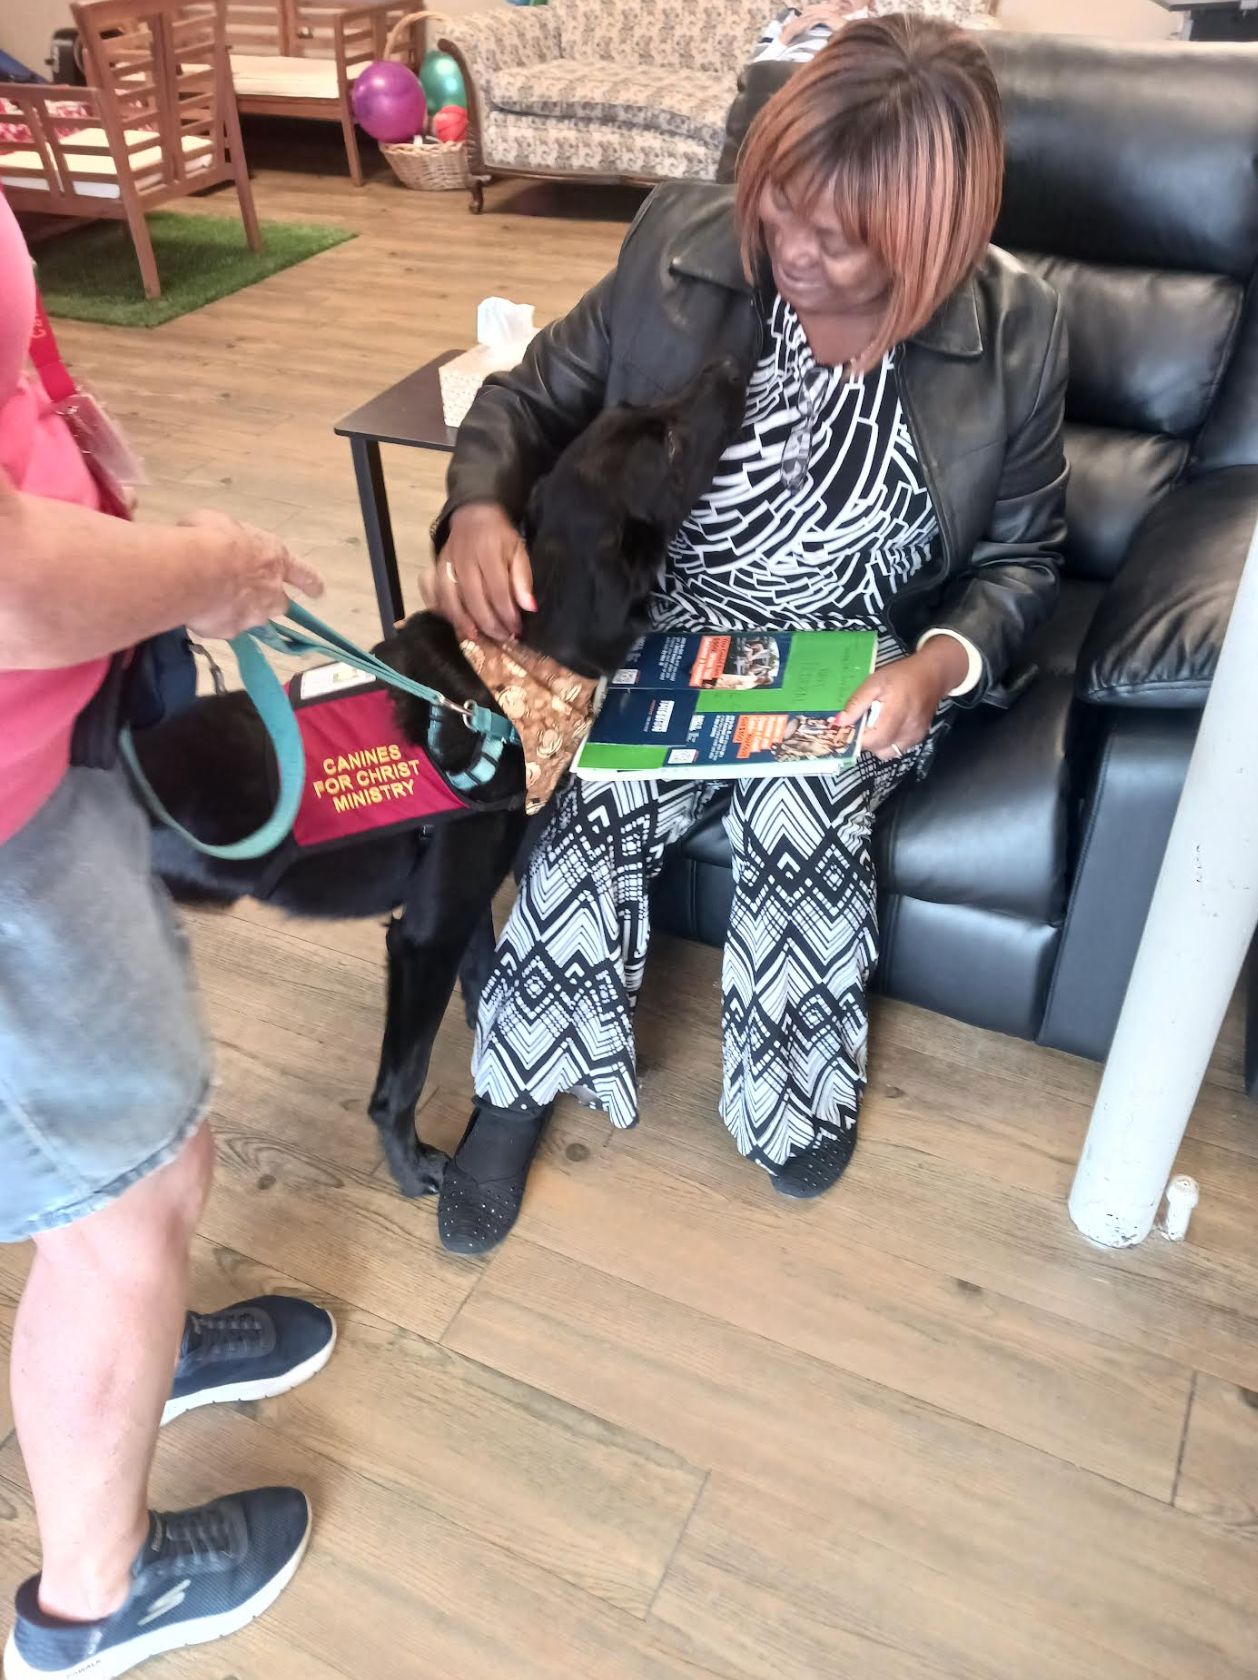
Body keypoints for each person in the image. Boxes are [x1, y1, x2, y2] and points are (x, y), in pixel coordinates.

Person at [428, 12, 1068, 1254]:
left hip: (852, 645)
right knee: (588, 816)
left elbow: (1024, 559)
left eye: (842, 242)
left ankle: (795, 1095)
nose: (792, 250)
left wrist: (932, 668)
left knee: (802, 815)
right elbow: (531, 396)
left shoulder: (1017, 330)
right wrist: (474, 506)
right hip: (669, 626)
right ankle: (514, 1085)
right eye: (781, 207)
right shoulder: (681, 240)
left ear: (928, 240)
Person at [0, 191, 334, 1680]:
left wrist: (58, 411)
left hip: (38, 771)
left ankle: (148, 1347)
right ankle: (94, 1601)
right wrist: (215, 569)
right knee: (115, 1215)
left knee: (146, 1163)